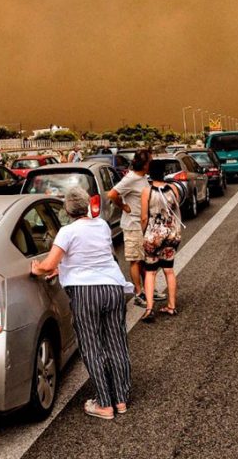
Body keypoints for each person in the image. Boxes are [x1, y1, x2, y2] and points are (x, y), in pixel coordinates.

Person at [31, 187, 132, 420]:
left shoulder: (67, 231)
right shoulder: (102, 226)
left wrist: (38, 268)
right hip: (113, 288)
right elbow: (94, 254)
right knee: (117, 343)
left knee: (92, 346)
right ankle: (121, 398)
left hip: (86, 292)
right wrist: (64, 266)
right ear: (87, 205)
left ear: (67, 210)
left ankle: (104, 404)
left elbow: (48, 264)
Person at [107, 149, 166, 307]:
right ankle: (139, 293)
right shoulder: (131, 178)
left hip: (144, 224)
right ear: (145, 164)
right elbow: (112, 194)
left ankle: (149, 289)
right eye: (150, 161)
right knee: (135, 260)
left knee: (146, 259)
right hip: (133, 225)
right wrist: (123, 206)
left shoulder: (144, 178)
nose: (152, 163)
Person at [139, 160, 183, 322]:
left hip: (153, 236)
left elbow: (144, 217)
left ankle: (149, 308)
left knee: (150, 272)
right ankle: (171, 306)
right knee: (169, 270)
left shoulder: (146, 191)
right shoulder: (173, 189)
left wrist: (144, 233)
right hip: (171, 235)